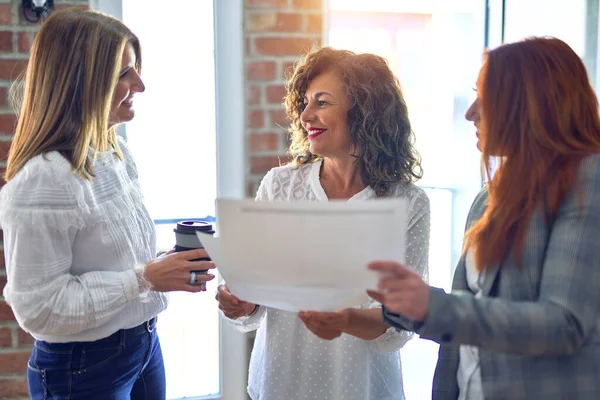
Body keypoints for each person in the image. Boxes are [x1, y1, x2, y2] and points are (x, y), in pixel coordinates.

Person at [0, 7, 215, 400]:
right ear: (82, 84)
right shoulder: (43, 181)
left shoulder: (112, 153)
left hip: (144, 345)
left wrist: (166, 264)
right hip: (83, 367)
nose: (141, 85)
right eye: (124, 74)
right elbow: (39, 308)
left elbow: (111, 262)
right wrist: (146, 278)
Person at [369, 36, 600, 400]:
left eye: (485, 96)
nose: (471, 112)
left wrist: (434, 306)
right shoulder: (488, 198)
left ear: (529, 103)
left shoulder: (590, 180)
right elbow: (463, 333)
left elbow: (564, 324)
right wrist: (403, 302)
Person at [216, 47, 430, 400]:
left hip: (362, 385)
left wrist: (345, 319)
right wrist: (241, 301)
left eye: (322, 102)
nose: (305, 116)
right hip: (280, 380)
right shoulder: (279, 185)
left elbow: (402, 319)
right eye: (304, 103)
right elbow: (253, 289)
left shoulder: (408, 203)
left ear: (364, 112)